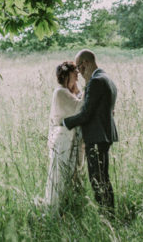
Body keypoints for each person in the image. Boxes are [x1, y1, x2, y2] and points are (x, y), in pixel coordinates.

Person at [63, 49, 118, 214]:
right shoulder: (106, 78)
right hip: (104, 134)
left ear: (85, 63)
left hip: (97, 136)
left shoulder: (95, 81)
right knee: (102, 177)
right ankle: (109, 213)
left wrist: (65, 122)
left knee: (98, 179)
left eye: (79, 68)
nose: (79, 72)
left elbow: (86, 114)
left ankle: (107, 215)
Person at [42, 61, 84, 211]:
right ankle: (58, 209)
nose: (77, 79)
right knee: (62, 175)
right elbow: (80, 108)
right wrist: (83, 92)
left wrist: (77, 92)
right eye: (75, 75)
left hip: (69, 137)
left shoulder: (66, 92)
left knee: (72, 175)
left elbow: (77, 105)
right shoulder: (61, 92)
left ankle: (70, 206)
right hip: (64, 140)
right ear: (67, 75)